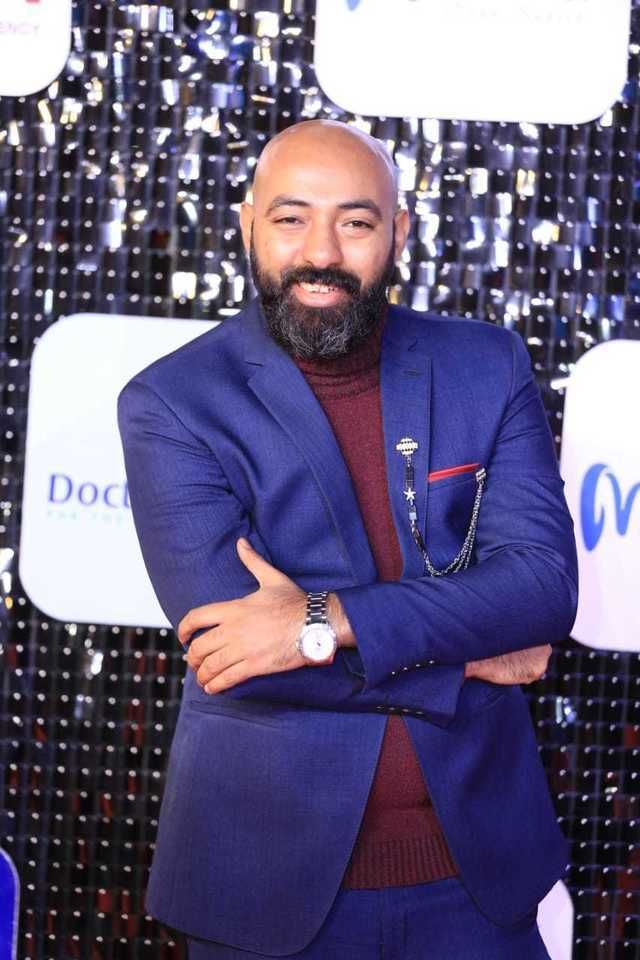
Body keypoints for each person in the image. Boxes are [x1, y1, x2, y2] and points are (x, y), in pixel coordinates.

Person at [117, 120, 578, 959]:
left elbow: (542, 587)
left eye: (356, 222)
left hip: (476, 881)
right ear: (249, 224)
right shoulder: (172, 402)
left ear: (398, 231)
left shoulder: (488, 365)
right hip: (263, 885)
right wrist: (465, 659)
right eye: (291, 218)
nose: (320, 252)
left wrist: (321, 619)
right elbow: (241, 654)